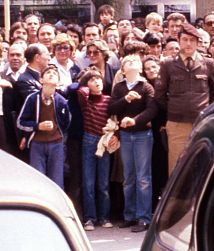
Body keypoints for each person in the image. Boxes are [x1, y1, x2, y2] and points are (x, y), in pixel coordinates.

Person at [155, 23, 214, 170]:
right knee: (177, 166)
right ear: (179, 41)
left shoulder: (208, 63)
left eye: (192, 40)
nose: (188, 43)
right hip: (177, 124)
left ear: (198, 42)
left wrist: (206, 113)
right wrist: (174, 110)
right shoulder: (168, 64)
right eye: (185, 39)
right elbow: (159, 95)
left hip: (202, 123)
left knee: (202, 165)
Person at [109, 55, 158, 233]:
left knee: (143, 178)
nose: (132, 63)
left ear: (140, 67)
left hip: (142, 135)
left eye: (135, 61)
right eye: (127, 62)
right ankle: (129, 215)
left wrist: (134, 120)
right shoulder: (119, 87)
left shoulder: (146, 86)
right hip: (125, 135)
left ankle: (143, 218)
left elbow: (152, 109)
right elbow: (111, 108)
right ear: (122, 70)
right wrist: (126, 100)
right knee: (128, 177)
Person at [17, 65, 71, 188]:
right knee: (38, 180)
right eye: (48, 73)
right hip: (37, 144)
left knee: (57, 181)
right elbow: (20, 122)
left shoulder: (61, 101)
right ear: (41, 80)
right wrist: (37, 126)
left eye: (54, 73)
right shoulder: (32, 99)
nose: (51, 74)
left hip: (56, 144)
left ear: (58, 82)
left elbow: (67, 122)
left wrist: (58, 130)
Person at [77, 69, 113, 231]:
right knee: (88, 181)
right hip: (89, 139)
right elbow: (76, 89)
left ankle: (104, 216)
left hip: (104, 141)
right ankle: (89, 218)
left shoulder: (108, 100)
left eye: (99, 78)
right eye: (92, 80)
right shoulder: (85, 100)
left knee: (103, 183)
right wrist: (85, 84)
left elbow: (114, 119)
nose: (97, 82)